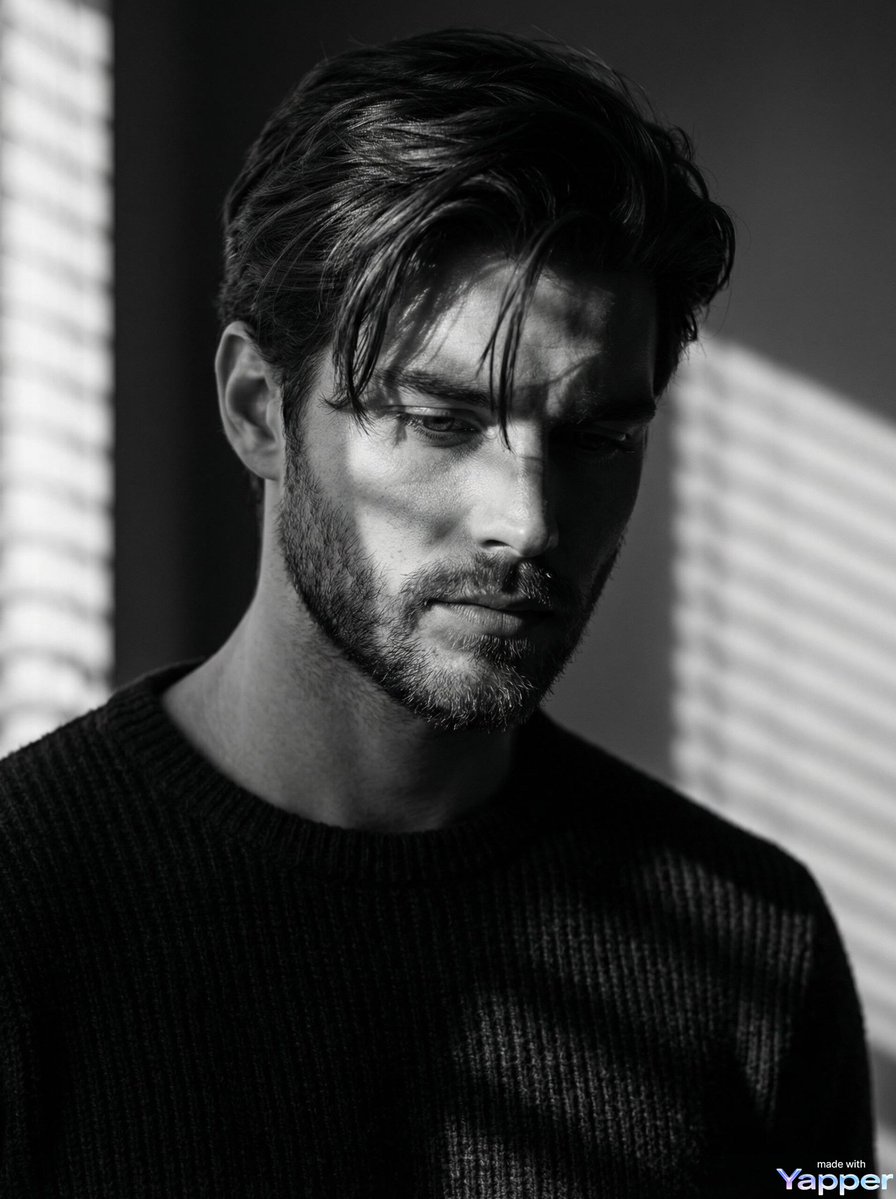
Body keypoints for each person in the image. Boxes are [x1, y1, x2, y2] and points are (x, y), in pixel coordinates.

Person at [0, 27, 874, 1198]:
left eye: (595, 438)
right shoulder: (25, 908)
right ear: (258, 408)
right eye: (441, 420)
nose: (527, 519)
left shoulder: (754, 941)